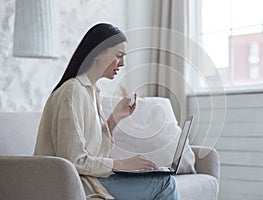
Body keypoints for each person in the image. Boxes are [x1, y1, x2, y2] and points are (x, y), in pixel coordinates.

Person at [34, 23, 180, 200]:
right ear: (98, 52)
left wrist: (114, 119)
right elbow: (72, 161)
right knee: (165, 183)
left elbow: (94, 154)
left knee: (164, 180)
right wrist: (122, 164)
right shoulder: (72, 92)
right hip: (76, 185)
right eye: (119, 56)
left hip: (89, 179)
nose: (123, 63)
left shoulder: (91, 92)